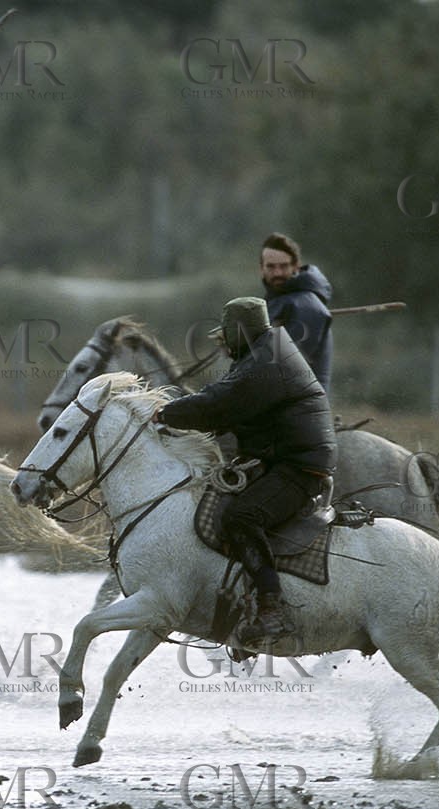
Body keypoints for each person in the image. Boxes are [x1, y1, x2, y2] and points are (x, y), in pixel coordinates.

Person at [151, 297, 335, 648]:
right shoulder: (263, 352)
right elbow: (224, 404)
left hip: (299, 467)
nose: (220, 343)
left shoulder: (265, 361)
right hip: (283, 459)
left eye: (225, 335)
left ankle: (272, 610)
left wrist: (166, 414)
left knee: (241, 517)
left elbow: (219, 403)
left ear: (240, 332)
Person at [260, 232, 334, 391]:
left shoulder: (306, 305)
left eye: (284, 266)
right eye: (271, 266)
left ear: (296, 267)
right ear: (261, 268)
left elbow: (285, 369)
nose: (277, 273)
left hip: (300, 410)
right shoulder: (278, 302)